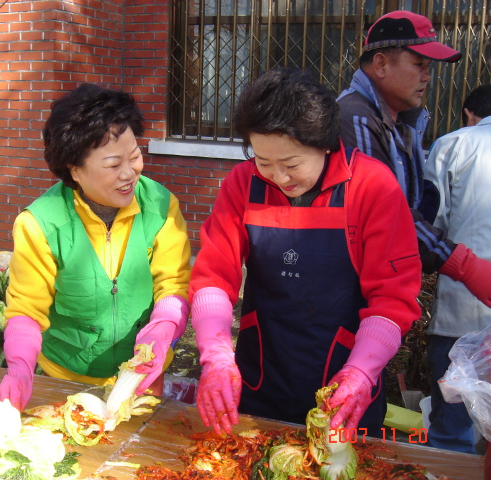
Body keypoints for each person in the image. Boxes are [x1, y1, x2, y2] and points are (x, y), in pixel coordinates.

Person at [189, 67, 421, 436]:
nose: (279, 178)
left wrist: (361, 373)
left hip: (347, 383)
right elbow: (214, 277)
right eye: (264, 162)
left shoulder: (373, 187)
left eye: (291, 164)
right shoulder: (242, 184)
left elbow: (393, 298)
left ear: (326, 143)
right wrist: (215, 355)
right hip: (260, 377)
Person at [0, 84, 192, 411]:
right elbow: (27, 309)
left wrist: (162, 328)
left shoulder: (159, 205)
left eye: (135, 156)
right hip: (65, 379)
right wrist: (19, 367)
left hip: (143, 374)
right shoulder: (41, 224)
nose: (130, 174)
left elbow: (173, 282)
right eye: (114, 165)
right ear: (75, 169)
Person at [337, 10, 491, 308]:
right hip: (350, 294)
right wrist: (464, 265)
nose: (427, 77)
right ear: (381, 64)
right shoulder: (356, 119)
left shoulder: (400, 122)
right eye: (419, 64)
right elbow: (387, 215)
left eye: (429, 67)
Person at [422, 84, 491, 453]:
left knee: (452, 428)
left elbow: (432, 225)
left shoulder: (454, 144)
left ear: (468, 114)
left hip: (462, 316)